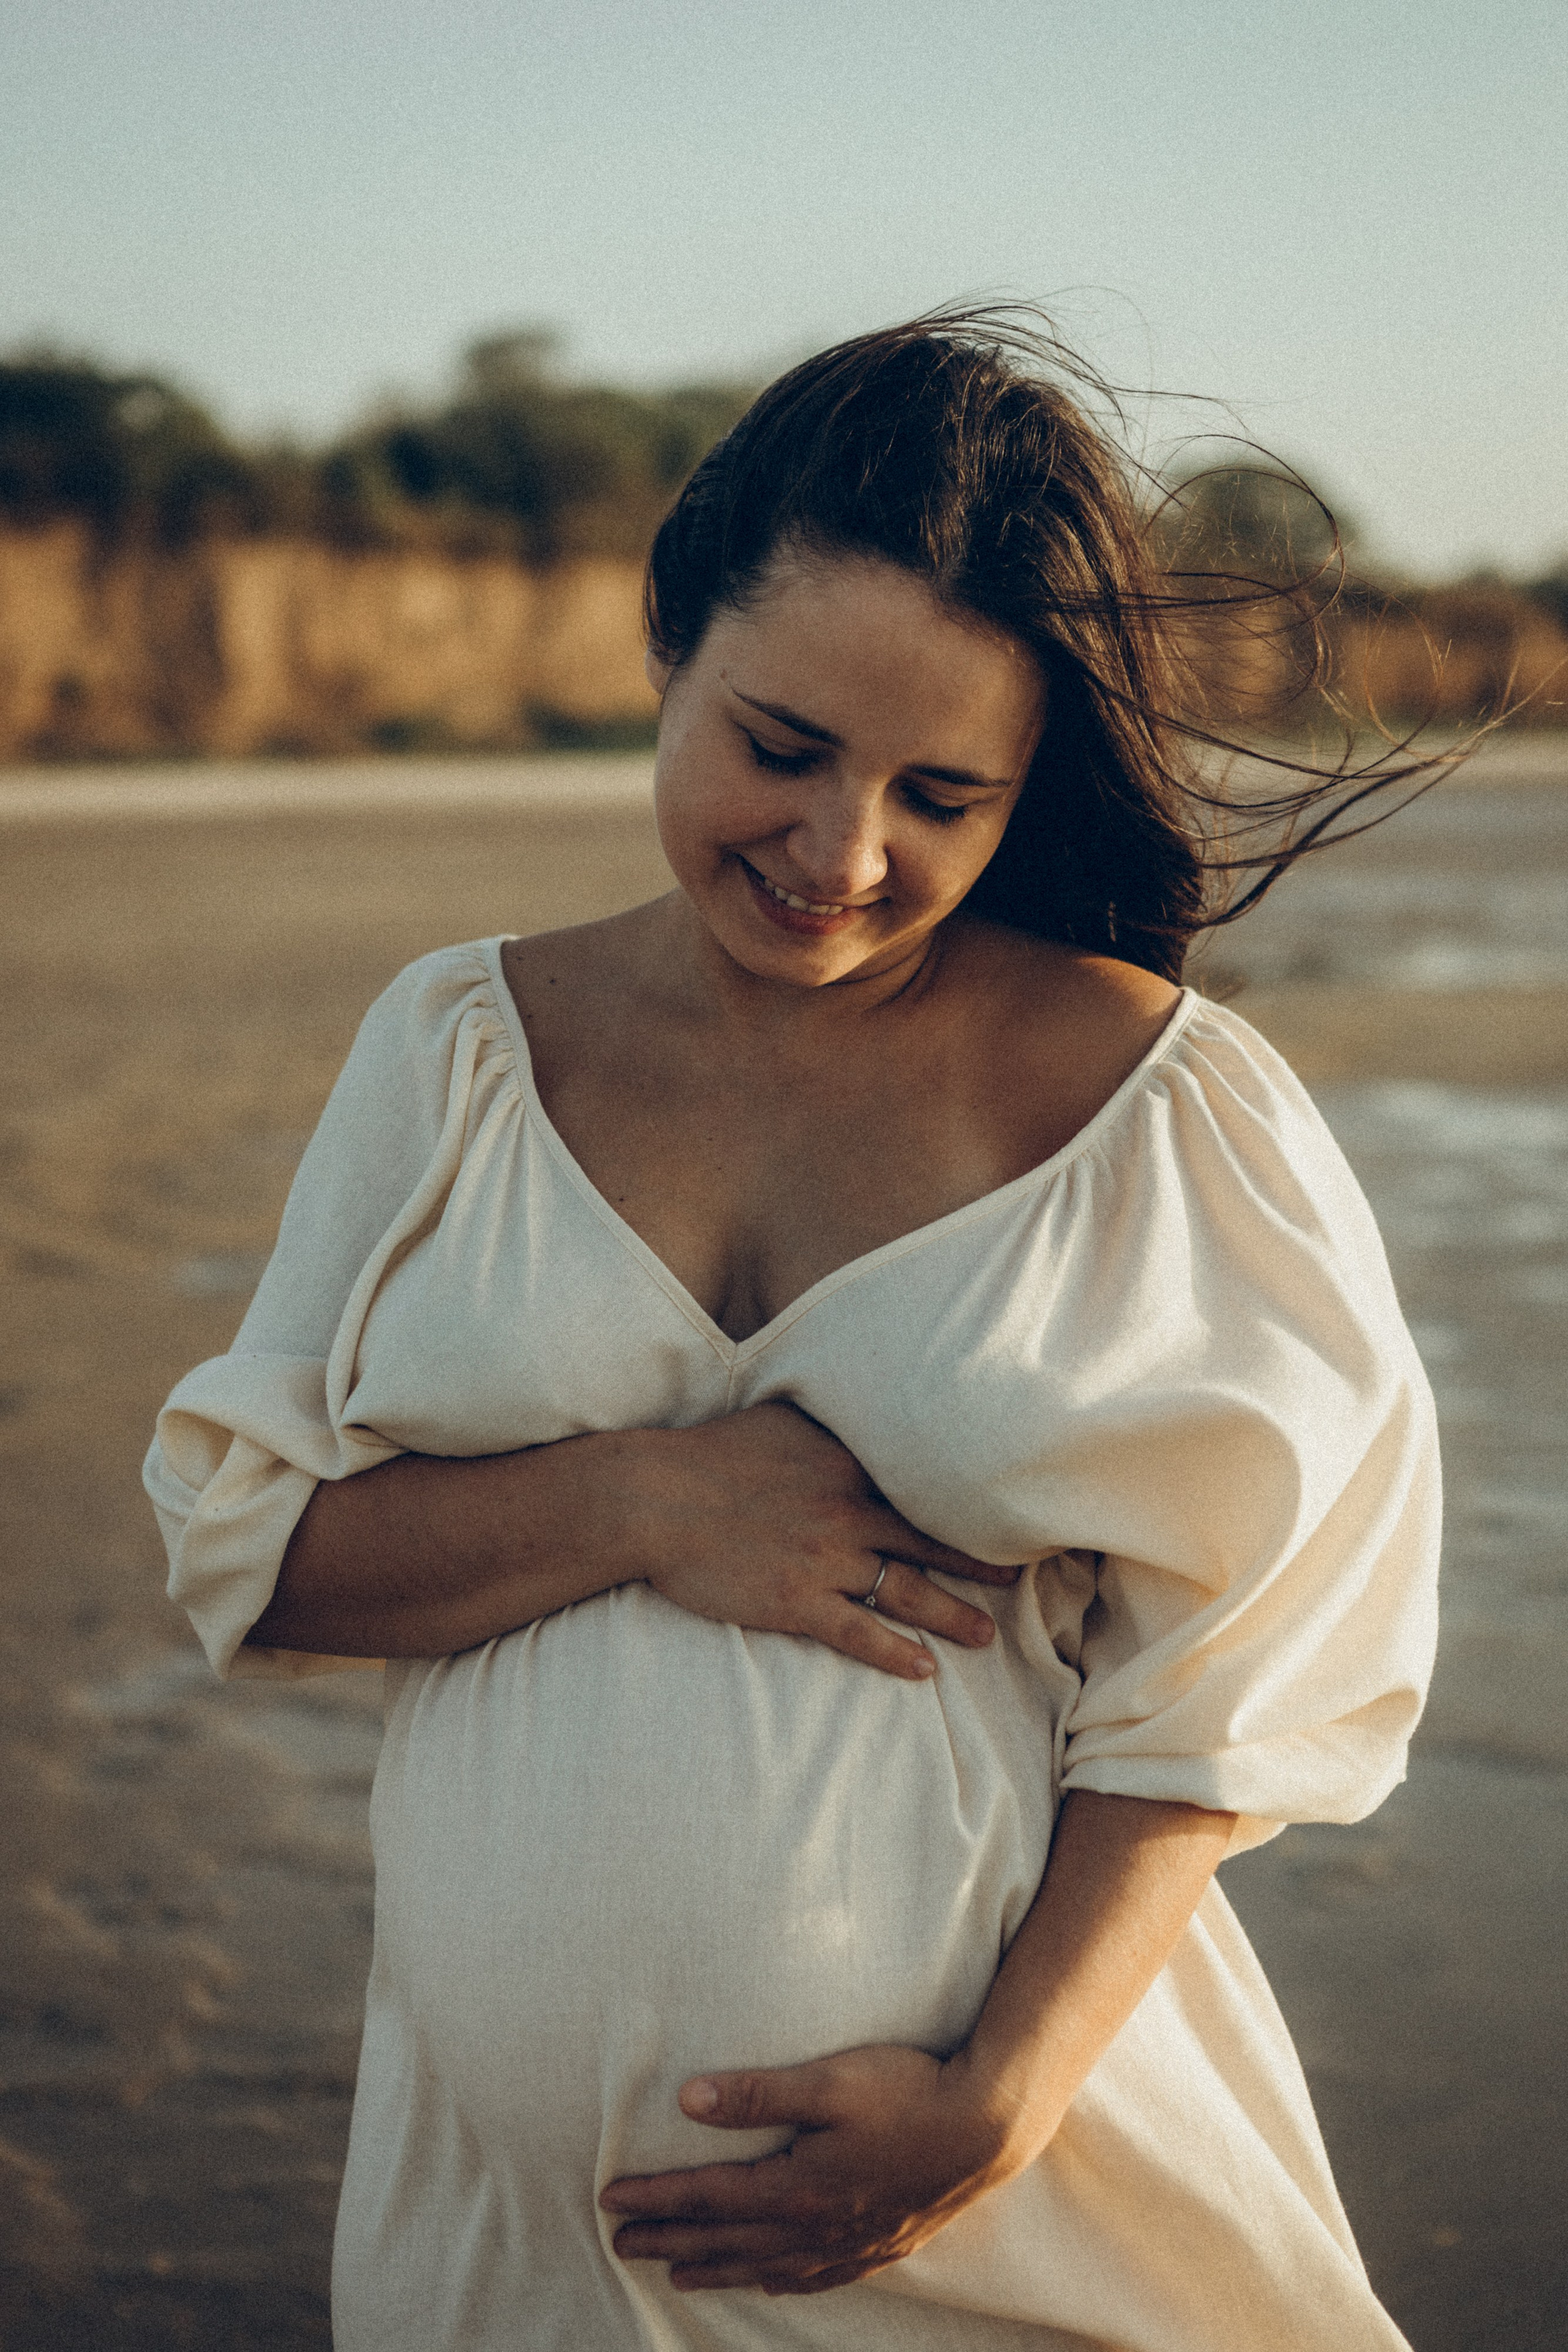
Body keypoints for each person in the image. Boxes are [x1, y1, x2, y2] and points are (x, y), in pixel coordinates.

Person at [145, 311, 1440, 2351]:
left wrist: (996, 2105)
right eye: (780, 746)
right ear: (673, 638)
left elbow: (1248, 1687)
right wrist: (646, 1502)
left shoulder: (1157, 1105)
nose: (843, 856)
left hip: (991, 2216)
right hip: (507, 2251)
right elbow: (263, 1561)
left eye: (942, 795)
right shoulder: (459, 1051)